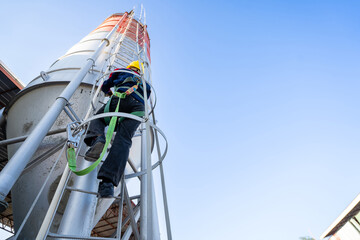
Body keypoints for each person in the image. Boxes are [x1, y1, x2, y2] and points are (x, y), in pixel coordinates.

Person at [84, 60, 151, 198]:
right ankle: (107, 184)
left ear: (130, 67)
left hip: (121, 98)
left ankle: (98, 139)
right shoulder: (145, 83)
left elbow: (105, 86)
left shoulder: (121, 70)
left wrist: (108, 92)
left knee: (99, 119)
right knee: (124, 140)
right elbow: (146, 97)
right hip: (138, 109)